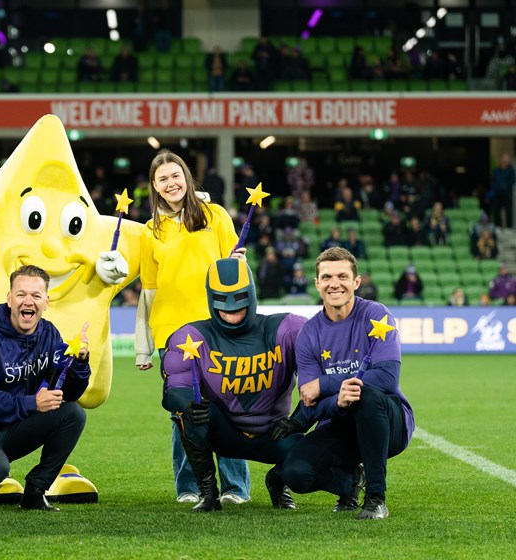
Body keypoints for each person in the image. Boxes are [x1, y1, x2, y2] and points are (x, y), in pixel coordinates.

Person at [135, 149, 250, 506]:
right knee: (184, 410)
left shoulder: (215, 215)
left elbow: (235, 272)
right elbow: (148, 291)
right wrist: (143, 347)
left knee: (227, 406)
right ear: (155, 186)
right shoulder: (149, 232)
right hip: (173, 332)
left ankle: (235, 487)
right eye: (162, 179)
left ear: (186, 177)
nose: (171, 183)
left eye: (175, 175)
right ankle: (190, 486)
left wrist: (239, 267)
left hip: (218, 326)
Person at [277, 247, 415, 520]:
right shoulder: (309, 333)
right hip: (340, 424)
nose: (334, 284)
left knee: (366, 396)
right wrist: (337, 402)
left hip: (390, 423)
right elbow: (310, 401)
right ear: (317, 283)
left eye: (342, 276)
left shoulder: (376, 315)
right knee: (295, 473)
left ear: (356, 282)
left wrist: (326, 385)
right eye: (327, 277)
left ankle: (376, 499)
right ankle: (350, 482)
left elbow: (387, 378)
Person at [161, 258, 307, 512]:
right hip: (225, 432)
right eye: (223, 303)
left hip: (276, 432)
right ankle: (208, 493)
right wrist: (188, 404)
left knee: (318, 459)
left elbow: (317, 382)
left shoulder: (288, 329)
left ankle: (278, 480)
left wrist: (298, 421)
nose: (231, 311)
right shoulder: (190, 337)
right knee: (190, 414)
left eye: (238, 301)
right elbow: (174, 388)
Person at [0, 265, 91, 512]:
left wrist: (79, 363)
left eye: (36, 295)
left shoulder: (49, 333)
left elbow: (68, 393)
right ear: (9, 299)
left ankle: (35, 490)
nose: (28, 301)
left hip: (17, 426)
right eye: (21, 294)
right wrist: (32, 403)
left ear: (46, 302)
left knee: (73, 413)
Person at [488, 152, 514, 228]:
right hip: (497, 194)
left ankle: (509, 227)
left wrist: (505, 186)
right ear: (501, 159)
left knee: (508, 211)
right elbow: (492, 181)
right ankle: (498, 226)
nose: (506, 160)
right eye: (504, 158)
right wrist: (494, 189)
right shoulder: (496, 170)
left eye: (507, 159)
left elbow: (512, 181)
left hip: (507, 194)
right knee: (496, 210)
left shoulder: (511, 170)